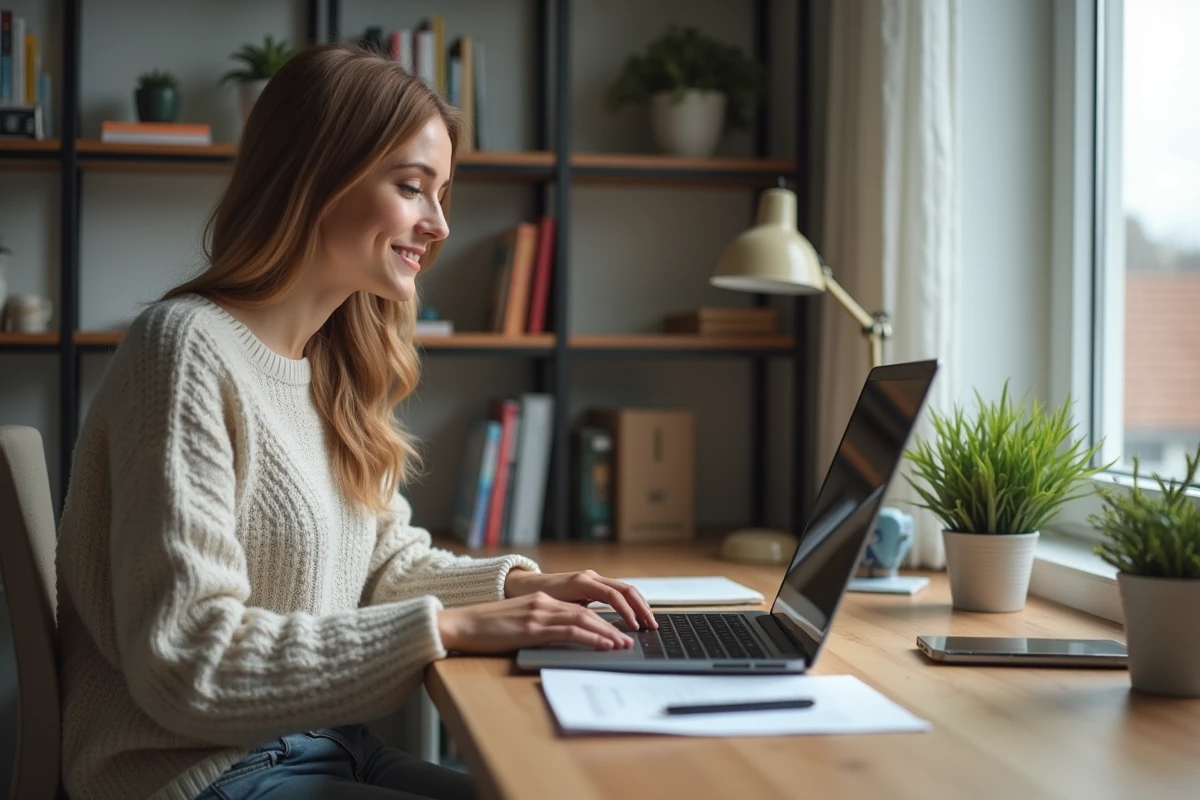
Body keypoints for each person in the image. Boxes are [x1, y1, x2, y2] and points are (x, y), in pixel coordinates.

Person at [55, 43, 657, 800]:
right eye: (413, 188)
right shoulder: (185, 350)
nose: (438, 225)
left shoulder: (335, 363)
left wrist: (522, 587)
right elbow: (187, 660)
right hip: (194, 772)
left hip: (323, 749)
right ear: (315, 178)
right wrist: (453, 628)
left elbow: (381, 567)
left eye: (443, 195)